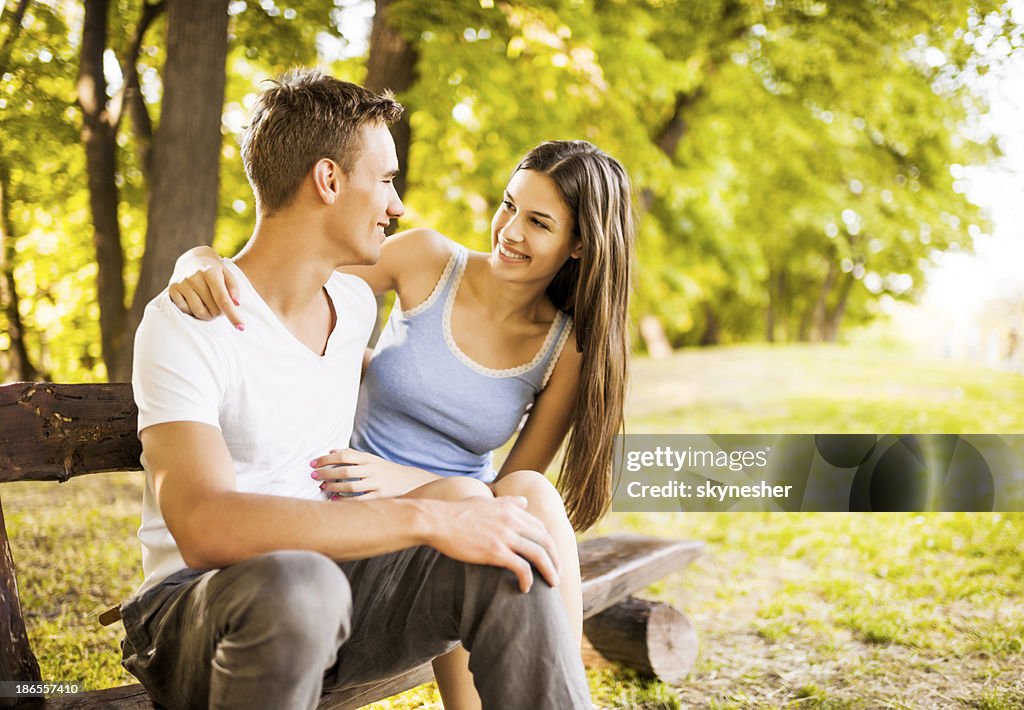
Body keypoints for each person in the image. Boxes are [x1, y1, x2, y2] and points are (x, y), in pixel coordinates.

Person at [126, 68, 591, 710]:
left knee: (504, 544)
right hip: (199, 613)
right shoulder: (190, 324)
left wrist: (458, 508)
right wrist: (197, 259)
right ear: (329, 180)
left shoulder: (351, 305)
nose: (398, 206)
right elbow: (203, 525)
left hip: (344, 592)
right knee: (302, 582)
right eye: (388, 179)